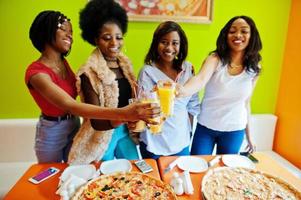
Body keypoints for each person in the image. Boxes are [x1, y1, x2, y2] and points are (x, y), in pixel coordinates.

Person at [25, 10, 160, 163]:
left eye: (71, 32)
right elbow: (70, 104)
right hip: (52, 130)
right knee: (52, 175)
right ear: (46, 30)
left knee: (73, 170)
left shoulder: (63, 64)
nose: (69, 35)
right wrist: (124, 114)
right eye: (63, 29)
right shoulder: (37, 73)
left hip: (73, 124)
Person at [67, 0, 144, 164]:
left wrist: (136, 118)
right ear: (95, 39)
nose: (114, 43)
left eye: (118, 37)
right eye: (107, 38)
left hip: (125, 133)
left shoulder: (125, 65)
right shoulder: (88, 73)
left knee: (137, 170)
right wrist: (126, 115)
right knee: (102, 179)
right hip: (99, 137)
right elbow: (96, 120)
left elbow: (132, 99)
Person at [178, 16, 262, 155]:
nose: (238, 35)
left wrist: (250, 136)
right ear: (226, 35)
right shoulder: (215, 59)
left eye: (244, 31)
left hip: (235, 130)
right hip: (206, 127)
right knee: (197, 167)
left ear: (251, 36)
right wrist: (181, 90)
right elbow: (200, 79)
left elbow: (246, 103)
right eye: (232, 31)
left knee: (225, 171)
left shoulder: (254, 68)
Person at [137, 21, 200, 159]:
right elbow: (143, 106)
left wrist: (188, 131)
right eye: (164, 42)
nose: (169, 47)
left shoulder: (188, 69)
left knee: (179, 177)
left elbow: (192, 105)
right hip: (154, 140)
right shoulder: (147, 72)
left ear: (181, 45)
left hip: (180, 139)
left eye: (175, 43)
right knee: (154, 179)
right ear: (156, 44)